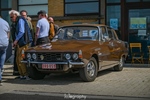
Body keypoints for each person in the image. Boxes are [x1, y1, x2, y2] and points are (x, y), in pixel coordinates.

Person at [9, 10, 33, 80]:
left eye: (12, 17)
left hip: (23, 42)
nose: (11, 18)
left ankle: (25, 74)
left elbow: (21, 31)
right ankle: (21, 74)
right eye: (10, 17)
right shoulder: (16, 22)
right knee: (17, 59)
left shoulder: (20, 20)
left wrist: (16, 40)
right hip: (20, 43)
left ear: (16, 15)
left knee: (21, 59)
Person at [0, 16, 10, 85]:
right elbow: (8, 33)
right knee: (2, 59)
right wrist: (7, 41)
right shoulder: (5, 22)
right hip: (4, 44)